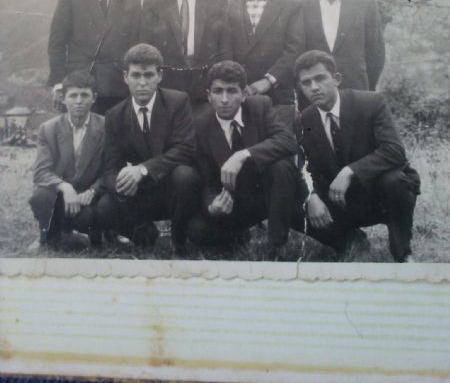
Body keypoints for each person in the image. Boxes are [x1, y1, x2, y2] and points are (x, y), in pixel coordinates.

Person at [294, 50, 420, 262]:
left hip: (377, 193)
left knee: (396, 181)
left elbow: (394, 150)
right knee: (291, 201)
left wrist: (350, 171)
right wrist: (311, 196)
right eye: (306, 83)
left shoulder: (370, 102)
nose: (314, 87)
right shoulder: (302, 121)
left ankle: (402, 253)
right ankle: (351, 242)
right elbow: (302, 166)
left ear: (336, 79)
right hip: (339, 200)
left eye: (320, 78)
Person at [188, 60, 305, 259]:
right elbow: (206, 178)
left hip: (268, 194)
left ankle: (277, 244)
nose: (224, 99)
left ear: (243, 94)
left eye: (232, 91)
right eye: (218, 91)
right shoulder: (200, 126)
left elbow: (288, 141)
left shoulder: (260, 106)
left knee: (281, 166)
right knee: (196, 230)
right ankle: (238, 234)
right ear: (208, 96)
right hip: (234, 200)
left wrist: (243, 155)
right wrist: (212, 205)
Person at [95, 43, 201, 256]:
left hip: (171, 188)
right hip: (139, 193)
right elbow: (110, 168)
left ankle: (178, 242)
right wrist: (121, 186)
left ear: (159, 76)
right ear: (125, 77)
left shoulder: (178, 101)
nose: (142, 83)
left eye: (148, 75)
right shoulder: (115, 115)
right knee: (105, 207)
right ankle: (144, 232)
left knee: (185, 175)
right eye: (135, 75)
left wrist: (143, 169)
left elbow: (186, 148)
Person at [47, 0, 141, 115]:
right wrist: (58, 83)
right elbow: (56, 45)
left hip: (119, 89)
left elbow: (136, 45)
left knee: (117, 133)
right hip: (80, 89)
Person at [140, 0, 231, 115]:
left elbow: (225, 47)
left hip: (206, 86)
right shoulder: (153, 2)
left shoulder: (218, 0)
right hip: (166, 85)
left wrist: (221, 83)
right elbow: (146, 48)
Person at [227, 0, 304, 126]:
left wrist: (269, 81)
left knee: (279, 142)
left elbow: (295, 49)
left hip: (278, 95)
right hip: (240, 94)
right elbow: (225, 47)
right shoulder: (230, 5)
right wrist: (235, 83)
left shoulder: (290, 6)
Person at [299, 0, 385, 104]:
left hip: (356, 91)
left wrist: (367, 88)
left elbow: (376, 53)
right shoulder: (302, 7)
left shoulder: (366, 4)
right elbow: (298, 53)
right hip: (315, 95)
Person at [29, 70, 105, 248]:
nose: (79, 101)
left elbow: (110, 169)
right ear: (63, 99)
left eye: (84, 95)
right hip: (61, 195)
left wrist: (93, 191)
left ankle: (98, 231)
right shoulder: (48, 129)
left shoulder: (106, 127)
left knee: (91, 217)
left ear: (94, 98)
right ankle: (46, 234)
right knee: (40, 196)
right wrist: (65, 187)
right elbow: (41, 172)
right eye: (73, 95)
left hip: (89, 197)